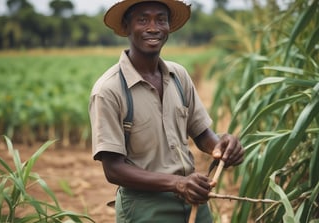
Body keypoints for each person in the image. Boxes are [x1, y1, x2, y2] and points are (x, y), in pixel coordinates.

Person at [89, 0, 244, 222]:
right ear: (126, 26)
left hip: (193, 201)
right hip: (144, 206)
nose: (153, 28)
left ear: (169, 26)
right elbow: (113, 170)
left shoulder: (178, 76)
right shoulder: (109, 90)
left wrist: (220, 147)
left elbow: (201, 134)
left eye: (161, 19)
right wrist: (177, 184)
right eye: (142, 19)